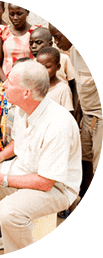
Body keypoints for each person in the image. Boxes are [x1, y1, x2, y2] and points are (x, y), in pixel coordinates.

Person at [0, 60, 82, 253]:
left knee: (9, 212)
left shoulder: (57, 125)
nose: (4, 84)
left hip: (57, 188)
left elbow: (45, 183)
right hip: (26, 171)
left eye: (10, 82)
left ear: (26, 92)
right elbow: (19, 141)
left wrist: (3, 179)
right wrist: (0, 156)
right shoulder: (23, 108)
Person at [49, 23, 103, 198]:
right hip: (87, 116)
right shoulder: (72, 51)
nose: (56, 42)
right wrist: (78, 115)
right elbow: (80, 85)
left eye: (58, 36)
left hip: (100, 117)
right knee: (83, 160)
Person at [0, 4, 40, 84]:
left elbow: (41, 61)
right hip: (8, 83)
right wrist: (6, 82)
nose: (15, 18)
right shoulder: (4, 32)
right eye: (12, 14)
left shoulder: (35, 33)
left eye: (19, 14)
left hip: (30, 83)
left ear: (27, 12)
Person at [37, 47, 74, 112]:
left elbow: (68, 114)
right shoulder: (35, 87)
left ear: (58, 67)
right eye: (39, 67)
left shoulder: (63, 89)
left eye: (47, 67)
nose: (43, 70)